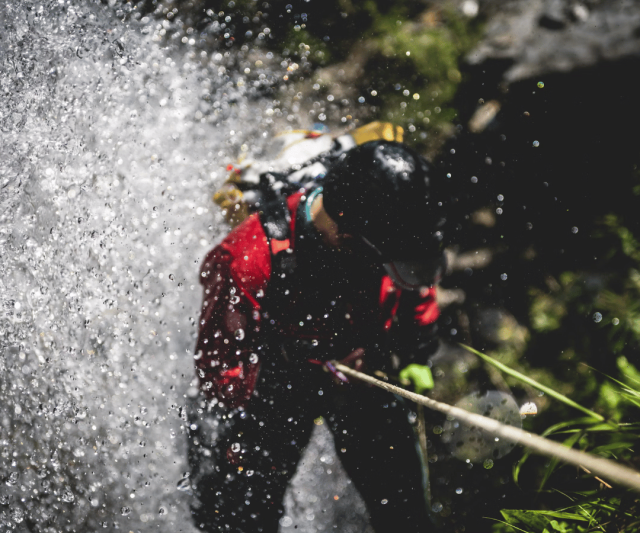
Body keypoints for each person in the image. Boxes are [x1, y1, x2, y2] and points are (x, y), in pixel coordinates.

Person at [187, 140, 447, 532]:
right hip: (274, 386)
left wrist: (415, 352)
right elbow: (220, 367)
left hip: (363, 373)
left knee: (405, 515)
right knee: (242, 518)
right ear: (345, 234)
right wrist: (280, 380)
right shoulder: (247, 260)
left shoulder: (391, 235)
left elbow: (416, 286)